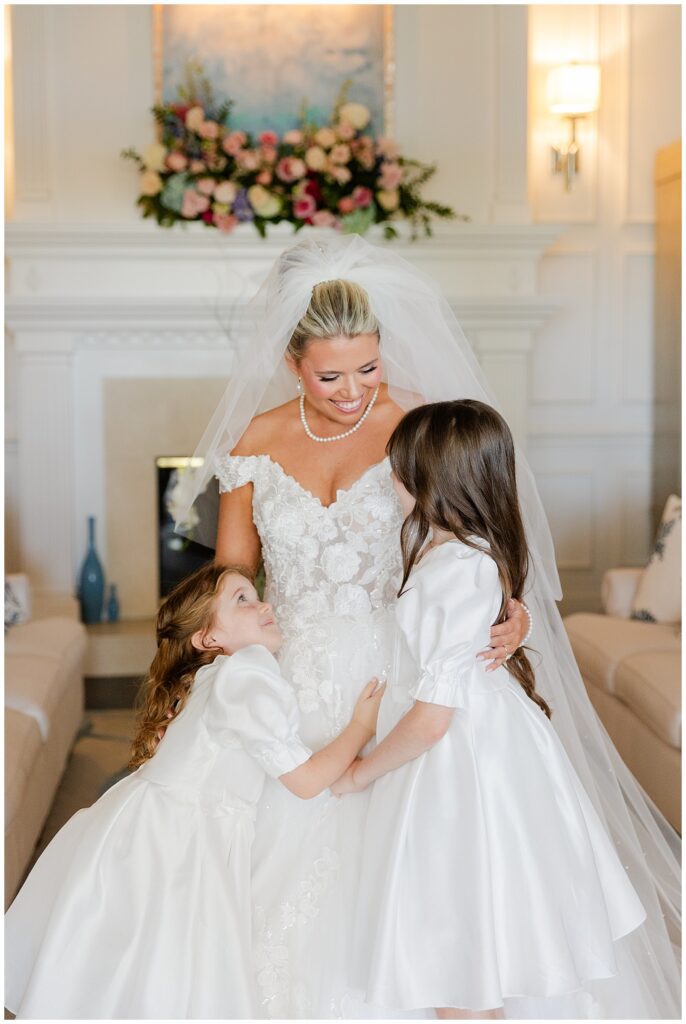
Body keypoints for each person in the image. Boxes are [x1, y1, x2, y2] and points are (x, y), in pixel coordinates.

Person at [176, 234, 680, 1019]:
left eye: (368, 368)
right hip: (293, 664)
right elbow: (233, 570)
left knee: (427, 866)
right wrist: (231, 620)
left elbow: (471, 535)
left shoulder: (421, 427)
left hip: (399, 673)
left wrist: (508, 610)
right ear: (291, 362)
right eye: (330, 374)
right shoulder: (255, 441)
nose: (354, 391)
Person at [333, 400, 647, 1019]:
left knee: (457, 946)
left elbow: (432, 719)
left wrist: (360, 773)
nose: (388, 479)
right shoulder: (467, 552)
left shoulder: (455, 568)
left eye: (399, 469)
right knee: (467, 944)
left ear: (432, 481)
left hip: (456, 768)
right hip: (484, 745)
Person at [4, 562, 384, 1020]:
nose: (263, 603)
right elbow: (304, 781)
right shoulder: (249, 672)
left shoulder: (216, 675)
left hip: (148, 826)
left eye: (255, 593)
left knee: (132, 962)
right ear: (208, 639)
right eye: (242, 599)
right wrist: (361, 728)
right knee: (175, 966)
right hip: (180, 840)